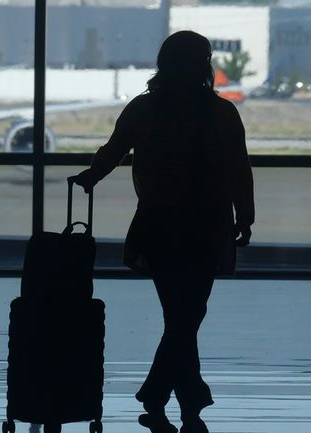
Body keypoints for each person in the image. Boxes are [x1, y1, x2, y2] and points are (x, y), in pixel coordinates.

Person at [72, 31, 254, 433]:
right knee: (189, 314)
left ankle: (168, 394)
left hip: (159, 223)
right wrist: (246, 215)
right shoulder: (222, 114)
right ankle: (179, 396)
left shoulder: (144, 110)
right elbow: (239, 168)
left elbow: (114, 149)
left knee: (180, 313)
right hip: (206, 226)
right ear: (203, 65)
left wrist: (91, 177)